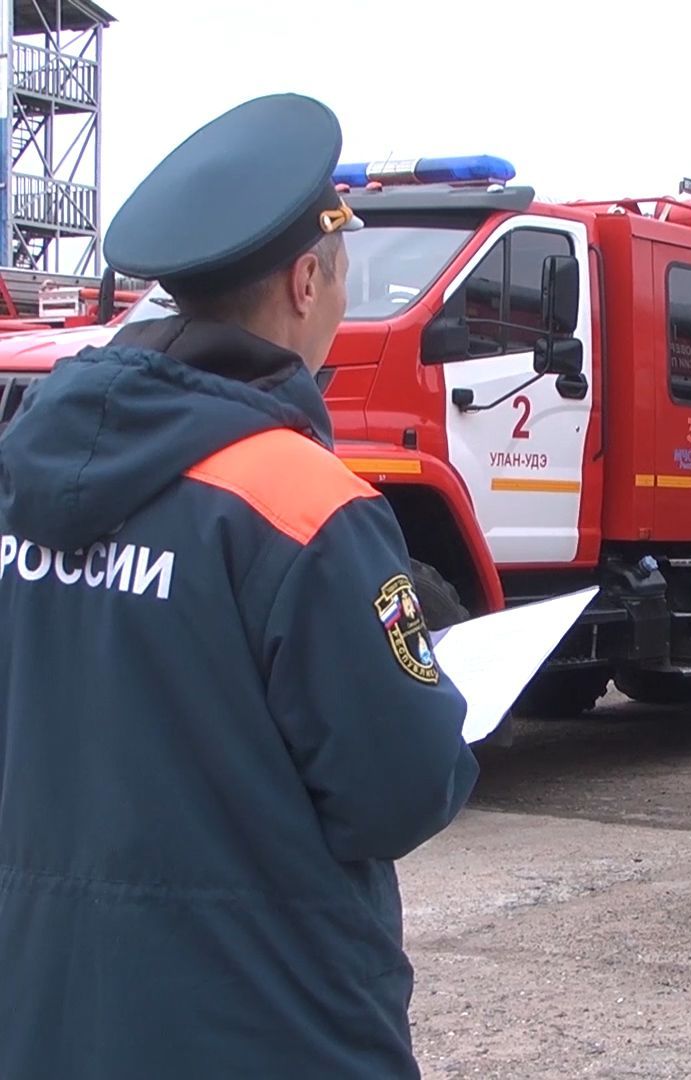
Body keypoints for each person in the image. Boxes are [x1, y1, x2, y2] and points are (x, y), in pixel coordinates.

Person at [0, 93, 478, 1077]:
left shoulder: (16, 481)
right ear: (307, 281)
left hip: (44, 1017)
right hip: (265, 1028)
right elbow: (400, 792)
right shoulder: (304, 505)